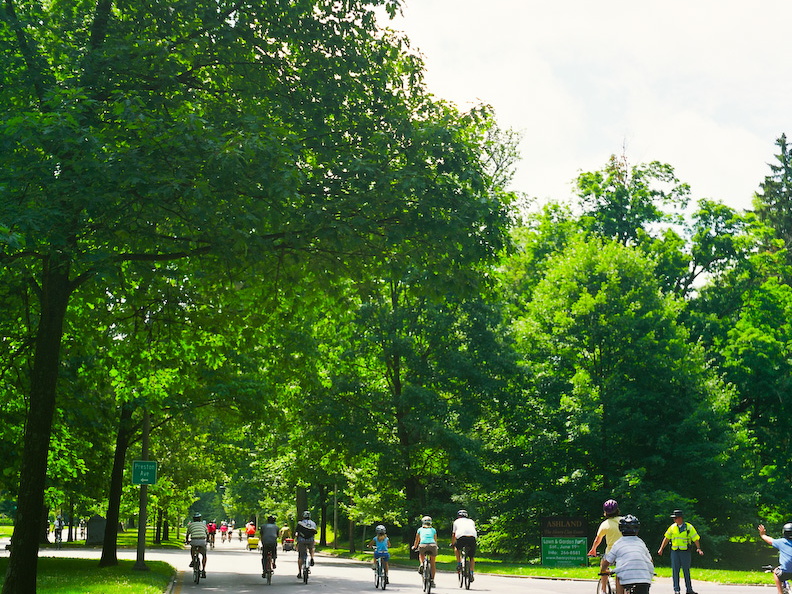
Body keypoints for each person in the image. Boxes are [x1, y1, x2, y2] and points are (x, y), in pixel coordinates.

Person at [601, 515, 654, 594]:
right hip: (644, 577)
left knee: (618, 576)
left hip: (625, 576)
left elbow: (607, 561)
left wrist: (603, 570)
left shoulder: (618, 543)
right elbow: (651, 561)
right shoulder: (640, 542)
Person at [657, 509, 703, 594]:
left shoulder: (689, 527)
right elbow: (666, 538)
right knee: (675, 571)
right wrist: (661, 548)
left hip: (685, 552)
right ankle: (676, 590)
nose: (674, 520)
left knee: (686, 570)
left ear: (681, 518)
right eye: (674, 518)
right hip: (675, 551)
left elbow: (695, 538)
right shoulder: (672, 527)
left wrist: (699, 548)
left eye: (676, 518)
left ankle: (689, 589)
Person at [589, 499, 623, 594]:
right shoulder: (624, 521)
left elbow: (598, 539)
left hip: (611, 554)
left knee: (603, 568)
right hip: (624, 552)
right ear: (617, 510)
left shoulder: (605, 524)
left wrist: (593, 549)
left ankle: (603, 590)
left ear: (605, 512)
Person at [758, 523, 792, 594]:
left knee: (776, 572)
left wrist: (762, 534)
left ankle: (780, 592)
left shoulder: (781, 542)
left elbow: (769, 540)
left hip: (785, 572)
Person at [451, 509, 478, 582]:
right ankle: (471, 573)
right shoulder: (471, 521)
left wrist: (453, 543)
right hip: (472, 537)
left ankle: (459, 563)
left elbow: (454, 534)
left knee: (457, 548)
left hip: (462, 537)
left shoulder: (456, 521)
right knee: (471, 557)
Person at [412, 515, 438, 589]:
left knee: (421, 554)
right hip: (432, 545)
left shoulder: (420, 530)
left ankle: (421, 564)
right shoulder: (433, 530)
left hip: (423, 545)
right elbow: (435, 540)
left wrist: (414, 546)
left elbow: (417, 540)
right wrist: (436, 545)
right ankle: (432, 580)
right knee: (432, 563)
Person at [186, 512, 209, 578]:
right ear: (200, 519)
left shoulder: (191, 525)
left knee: (192, 550)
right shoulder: (203, 525)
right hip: (202, 541)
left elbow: (187, 534)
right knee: (204, 555)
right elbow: (207, 533)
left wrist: (187, 541)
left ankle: (193, 560)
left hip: (194, 540)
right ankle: (203, 570)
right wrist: (207, 540)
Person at [295, 510, 317, 578]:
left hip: (302, 540)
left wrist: (296, 540)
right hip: (310, 540)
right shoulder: (313, 523)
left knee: (301, 556)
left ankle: (299, 572)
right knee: (311, 548)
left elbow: (296, 533)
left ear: (303, 516)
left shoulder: (300, 523)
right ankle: (312, 557)